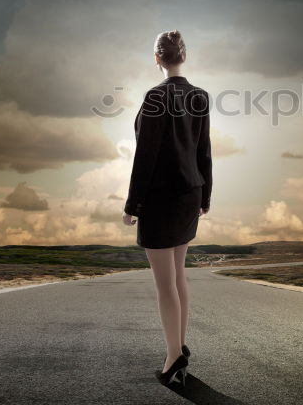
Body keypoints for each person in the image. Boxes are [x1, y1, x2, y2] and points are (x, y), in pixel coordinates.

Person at [122, 29, 212, 387]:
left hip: (161, 199)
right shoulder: (200, 96)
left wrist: (132, 204)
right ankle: (176, 350)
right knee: (178, 276)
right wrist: (206, 197)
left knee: (165, 284)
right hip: (191, 194)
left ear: (157, 58)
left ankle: (174, 357)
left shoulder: (155, 97)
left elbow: (145, 157)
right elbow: (204, 149)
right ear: (184, 56)